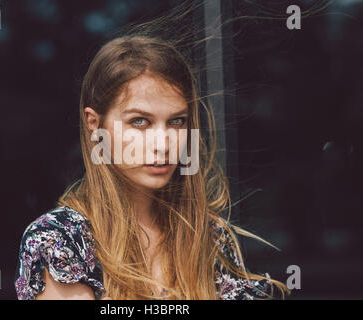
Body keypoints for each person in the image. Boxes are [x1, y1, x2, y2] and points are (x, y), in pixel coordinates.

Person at [14, 34, 289, 300]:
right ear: (94, 124)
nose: (163, 144)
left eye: (177, 121)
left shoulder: (209, 238)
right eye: (140, 122)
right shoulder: (61, 240)